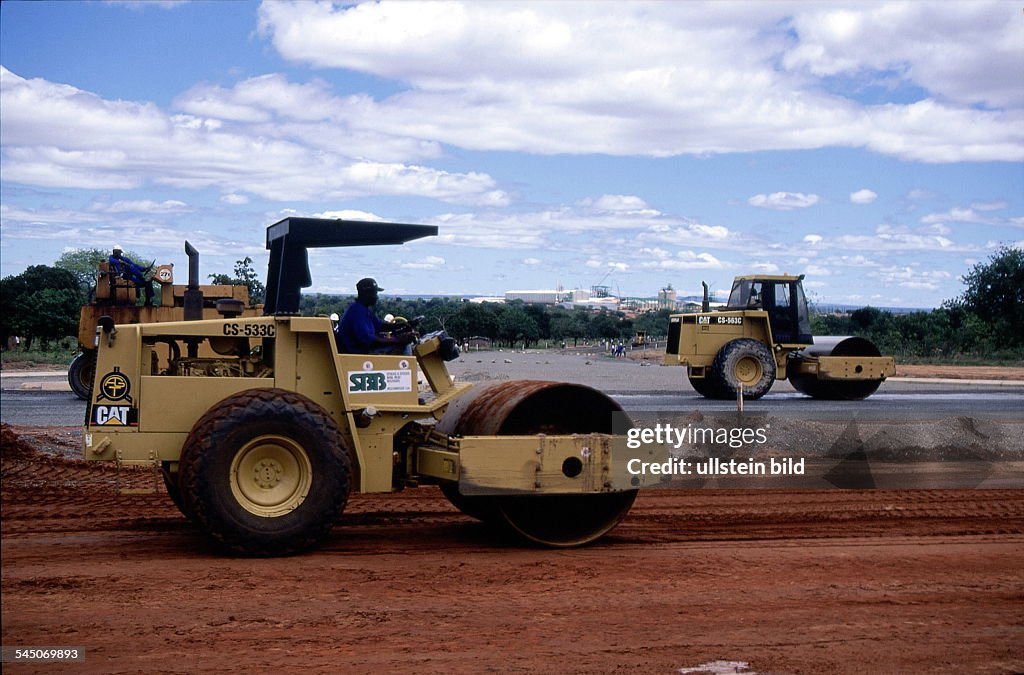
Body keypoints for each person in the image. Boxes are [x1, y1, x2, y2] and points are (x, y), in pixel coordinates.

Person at [335, 278, 417, 354]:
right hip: (358, 353)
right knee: (403, 347)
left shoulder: (363, 310)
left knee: (402, 344)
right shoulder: (357, 312)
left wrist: (404, 325)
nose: (376, 297)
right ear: (366, 294)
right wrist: (398, 340)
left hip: (362, 350)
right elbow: (370, 341)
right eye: (375, 293)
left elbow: (381, 326)